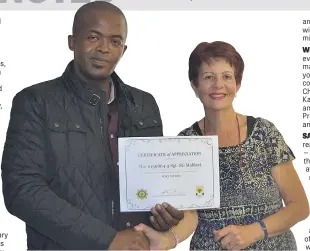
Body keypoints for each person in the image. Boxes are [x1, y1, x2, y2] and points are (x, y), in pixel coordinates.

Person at [0, 2, 197, 250]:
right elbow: (22, 191)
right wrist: (107, 239)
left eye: (115, 41)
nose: (103, 48)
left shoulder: (144, 104)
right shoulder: (36, 101)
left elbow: (151, 184)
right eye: (93, 37)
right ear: (72, 41)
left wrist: (163, 215)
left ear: (123, 50)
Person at [178, 41, 309, 250]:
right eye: (208, 77)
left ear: (237, 85)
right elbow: (189, 217)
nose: (218, 84)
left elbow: (300, 206)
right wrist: (169, 239)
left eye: (227, 76)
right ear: (195, 85)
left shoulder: (264, 133)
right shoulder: (185, 143)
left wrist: (254, 231)